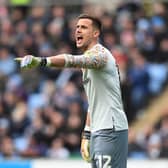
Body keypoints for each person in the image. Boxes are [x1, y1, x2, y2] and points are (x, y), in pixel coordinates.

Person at [15, 14, 129, 168]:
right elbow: (93, 101)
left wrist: (42, 61)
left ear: (96, 33)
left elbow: (73, 60)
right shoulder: (89, 61)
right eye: (77, 27)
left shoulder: (101, 55)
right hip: (99, 130)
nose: (78, 31)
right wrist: (87, 133)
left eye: (84, 27)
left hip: (110, 129)